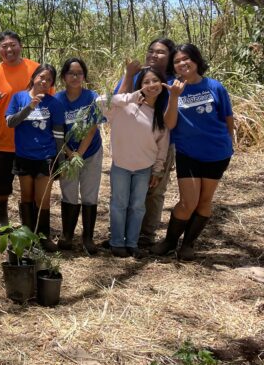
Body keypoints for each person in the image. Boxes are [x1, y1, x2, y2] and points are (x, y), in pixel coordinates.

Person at [152, 44, 234, 260]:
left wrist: (229, 144)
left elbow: (227, 118)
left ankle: (188, 244)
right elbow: (169, 124)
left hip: (217, 153)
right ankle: (169, 242)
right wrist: (174, 97)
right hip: (188, 153)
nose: (182, 63)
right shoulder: (171, 87)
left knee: (205, 201)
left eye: (186, 59)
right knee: (188, 202)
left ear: (196, 60)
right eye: (177, 61)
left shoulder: (215, 87)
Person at [0, 31, 42, 230]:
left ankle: (29, 223)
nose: (9, 49)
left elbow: (49, 96)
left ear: (21, 46)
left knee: (29, 185)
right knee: (0, 185)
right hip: (2, 140)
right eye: (4, 46)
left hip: (31, 141)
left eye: (13, 45)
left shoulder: (35, 69)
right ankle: (3, 221)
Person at [97, 68, 170, 258]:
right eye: (146, 82)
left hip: (144, 168)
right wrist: (131, 97)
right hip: (121, 164)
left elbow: (162, 146)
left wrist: (157, 170)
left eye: (156, 81)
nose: (151, 85)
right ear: (140, 86)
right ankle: (116, 242)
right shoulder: (125, 106)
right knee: (119, 203)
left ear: (163, 84)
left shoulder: (161, 114)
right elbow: (100, 101)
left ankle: (132, 243)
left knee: (138, 206)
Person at [115, 37, 177, 248]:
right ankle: (121, 234)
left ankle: (145, 236)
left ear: (170, 57)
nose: (153, 55)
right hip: (131, 145)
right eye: (151, 50)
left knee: (154, 190)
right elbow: (116, 102)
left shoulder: (173, 82)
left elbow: (170, 121)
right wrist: (129, 75)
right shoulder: (137, 76)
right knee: (127, 193)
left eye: (160, 52)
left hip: (162, 143)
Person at [6, 64, 64, 251]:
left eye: (49, 80)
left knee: (43, 199)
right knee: (27, 197)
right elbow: (10, 122)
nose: (44, 81)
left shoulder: (54, 104)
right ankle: (27, 236)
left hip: (45, 156)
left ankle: (43, 236)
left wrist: (59, 161)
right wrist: (29, 108)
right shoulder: (19, 98)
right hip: (24, 156)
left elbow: (58, 135)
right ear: (34, 77)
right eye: (41, 77)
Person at [54, 58, 103, 254]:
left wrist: (79, 155)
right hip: (67, 153)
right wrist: (69, 155)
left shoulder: (92, 97)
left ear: (84, 76)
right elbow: (57, 131)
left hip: (90, 151)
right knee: (69, 192)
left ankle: (88, 238)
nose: (75, 77)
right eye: (71, 73)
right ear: (64, 76)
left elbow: (92, 129)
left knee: (90, 194)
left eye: (79, 73)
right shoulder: (57, 100)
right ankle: (67, 235)